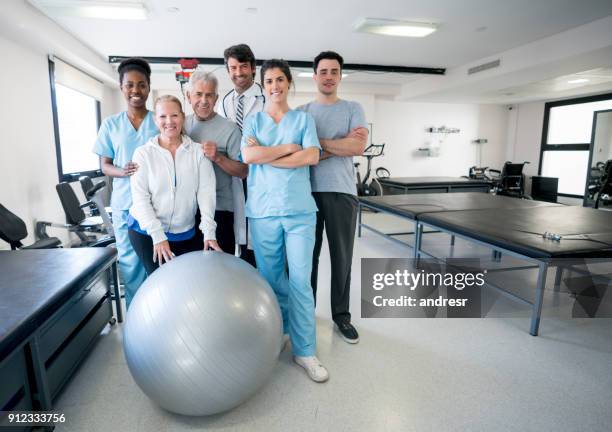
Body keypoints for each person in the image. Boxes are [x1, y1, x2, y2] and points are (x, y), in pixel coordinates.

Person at [241, 59, 328, 383]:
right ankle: (279, 333)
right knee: (271, 279)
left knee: (300, 281)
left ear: (289, 83)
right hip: (263, 212)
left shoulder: (304, 119)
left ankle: (305, 350)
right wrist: (289, 148)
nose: (275, 86)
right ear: (262, 87)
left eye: (280, 79)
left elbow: (312, 156)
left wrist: (270, 153)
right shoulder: (252, 122)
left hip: (300, 213)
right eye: (269, 82)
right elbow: (249, 158)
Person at [298, 51, 368, 344]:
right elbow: (300, 151)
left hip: (342, 192)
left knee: (342, 258)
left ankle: (342, 317)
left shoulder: (353, 108)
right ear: (315, 76)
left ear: (340, 76)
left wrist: (319, 145)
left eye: (334, 71)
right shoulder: (302, 112)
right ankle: (306, 316)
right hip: (306, 193)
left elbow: (358, 146)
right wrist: (340, 144)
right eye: (323, 71)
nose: (328, 76)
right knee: (306, 260)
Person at [128, 95, 220, 276]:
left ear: (183, 117)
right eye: (162, 116)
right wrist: (158, 236)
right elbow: (140, 198)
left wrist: (209, 232)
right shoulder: (143, 154)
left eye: (174, 115)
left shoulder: (198, 152)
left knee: (186, 283)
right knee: (158, 284)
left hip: (185, 231)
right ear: (156, 120)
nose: (169, 121)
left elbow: (206, 194)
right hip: (146, 232)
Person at [93, 58, 158, 308]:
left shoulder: (159, 121)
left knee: (157, 263)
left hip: (156, 205)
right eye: (129, 85)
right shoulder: (111, 125)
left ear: (148, 87)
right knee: (130, 265)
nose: (135, 91)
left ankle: (159, 320)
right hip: (124, 205)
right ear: (121, 87)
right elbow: (105, 165)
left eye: (141, 85)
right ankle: (137, 322)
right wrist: (123, 171)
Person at [184, 71, 248, 254]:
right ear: (189, 96)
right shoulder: (180, 125)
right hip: (187, 212)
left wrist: (218, 158)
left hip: (220, 211)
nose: (204, 100)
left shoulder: (230, 129)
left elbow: (244, 171)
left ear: (216, 98)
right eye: (198, 94)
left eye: (209, 95)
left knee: (219, 272)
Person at [218, 44, 265, 266]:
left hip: (260, 175)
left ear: (253, 68)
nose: (238, 73)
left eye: (243, 67)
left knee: (258, 242)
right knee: (238, 233)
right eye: (233, 68)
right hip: (232, 173)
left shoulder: (266, 99)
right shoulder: (225, 102)